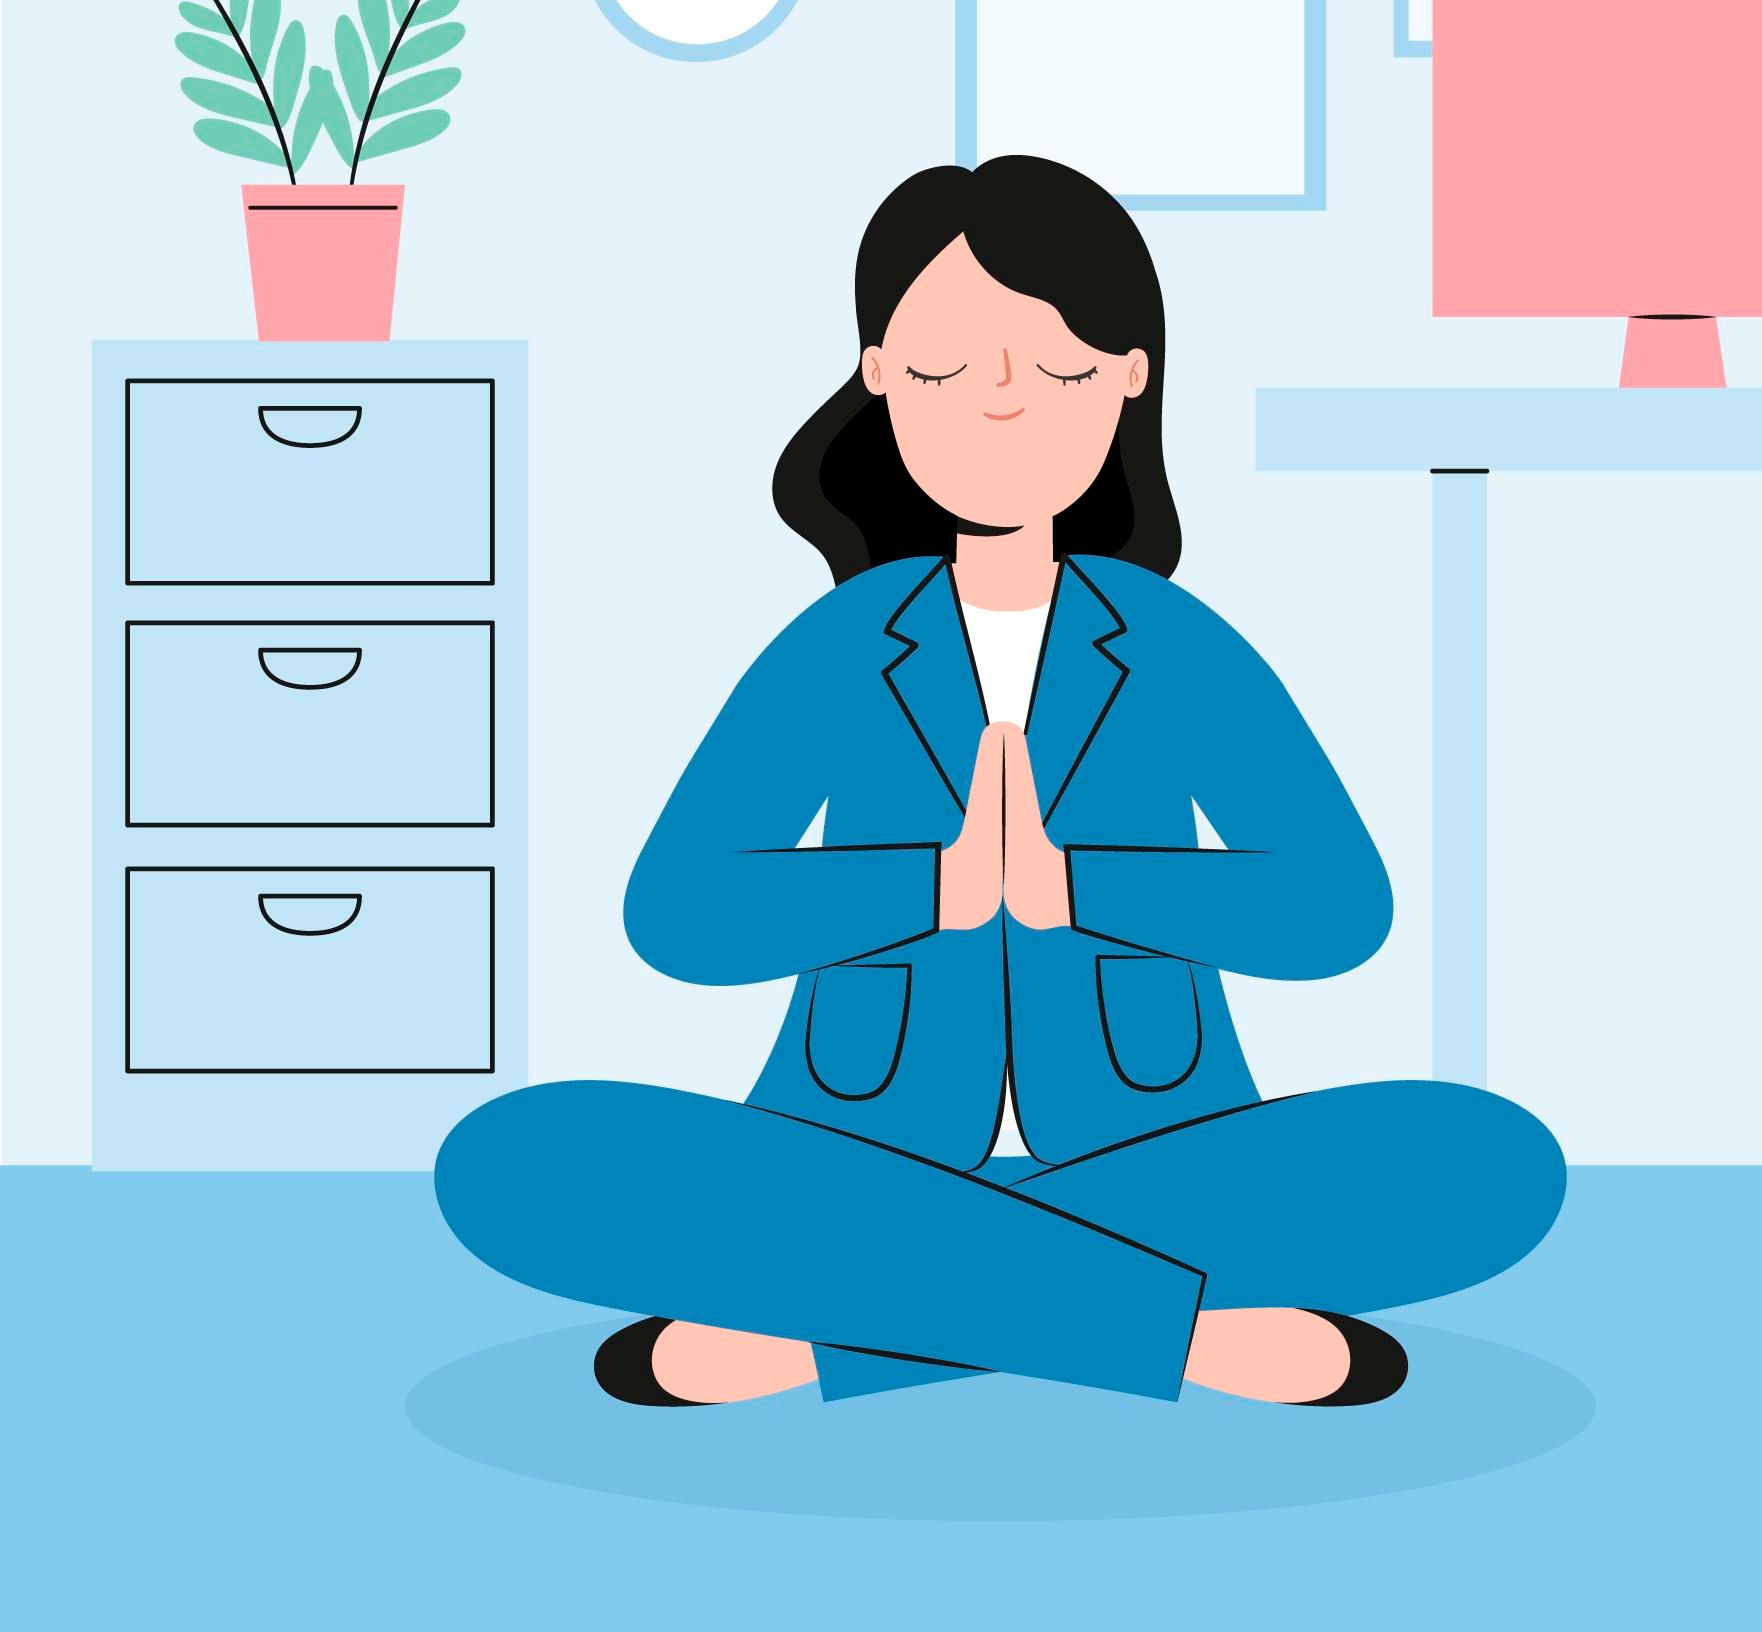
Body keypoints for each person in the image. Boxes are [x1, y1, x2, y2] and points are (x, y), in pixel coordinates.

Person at [435, 155, 1566, 1409]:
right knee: (516, 1161)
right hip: (855, 1149)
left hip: (1163, 1148)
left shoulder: (1171, 639)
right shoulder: (845, 644)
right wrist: (931, 888)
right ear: (874, 374)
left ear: (1132, 374)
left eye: (1061, 371)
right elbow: (679, 912)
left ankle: (822, 1328)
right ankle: (1187, 1332)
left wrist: (1077, 885)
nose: (1002, 411)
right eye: (941, 373)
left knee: (1484, 1162)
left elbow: (1334, 907)